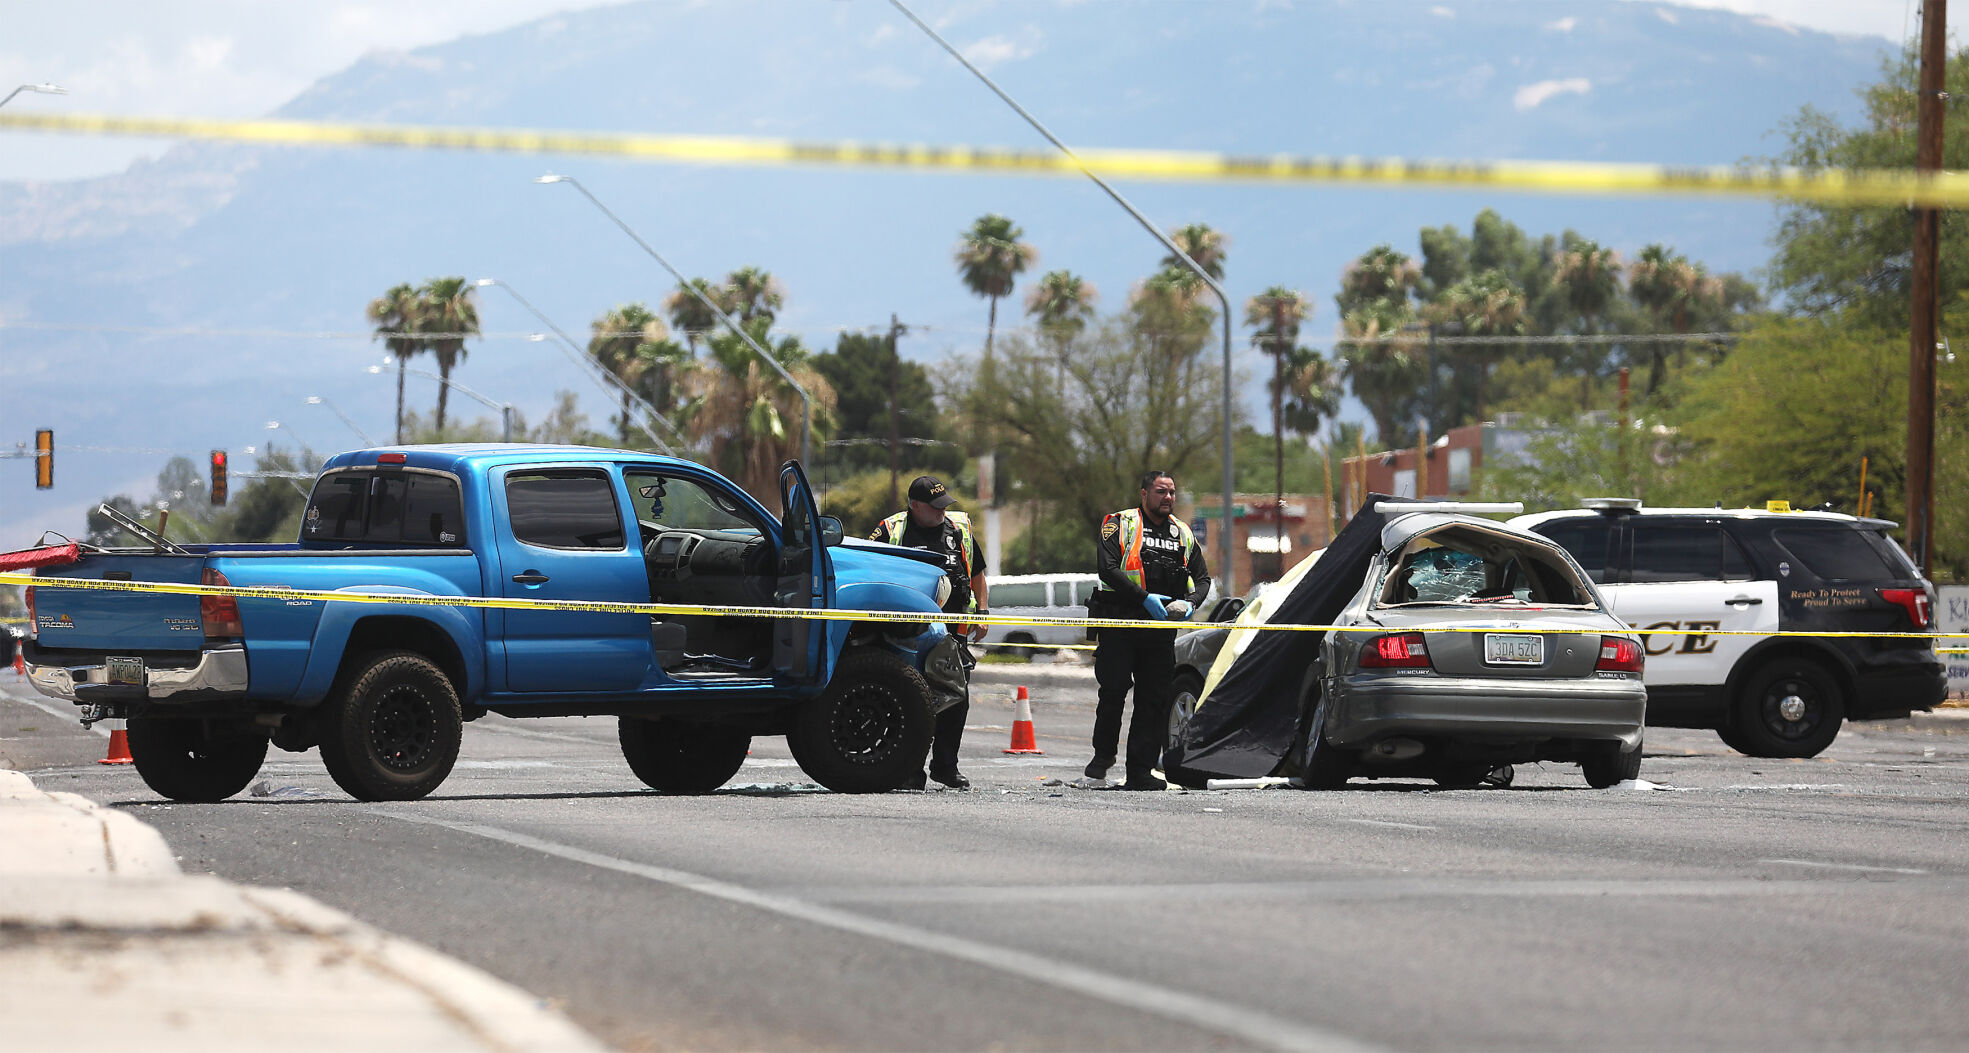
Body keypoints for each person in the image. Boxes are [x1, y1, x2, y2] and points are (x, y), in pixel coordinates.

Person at [1085, 469, 1211, 790]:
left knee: (1153, 699)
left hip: (1160, 629)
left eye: (1171, 492)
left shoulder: (1183, 533)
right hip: (1121, 621)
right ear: (1144, 494)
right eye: (1160, 491)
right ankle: (1103, 756)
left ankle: (1139, 772)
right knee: (1113, 690)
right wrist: (1143, 598)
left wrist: (1192, 603)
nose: (1167, 497)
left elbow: (1203, 578)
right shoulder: (1120, 523)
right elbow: (1108, 568)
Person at [870, 475, 988, 789]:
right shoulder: (891, 530)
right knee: (912, 699)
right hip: (908, 630)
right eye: (935, 507)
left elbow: (977, 572)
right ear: (914, 505)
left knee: (955, 699)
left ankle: (946, 767)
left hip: (952, 629)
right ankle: (909, 770)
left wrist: (983, 613)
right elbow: (871, 569)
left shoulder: (958, 528)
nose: (941, 512)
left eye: (944, 506)